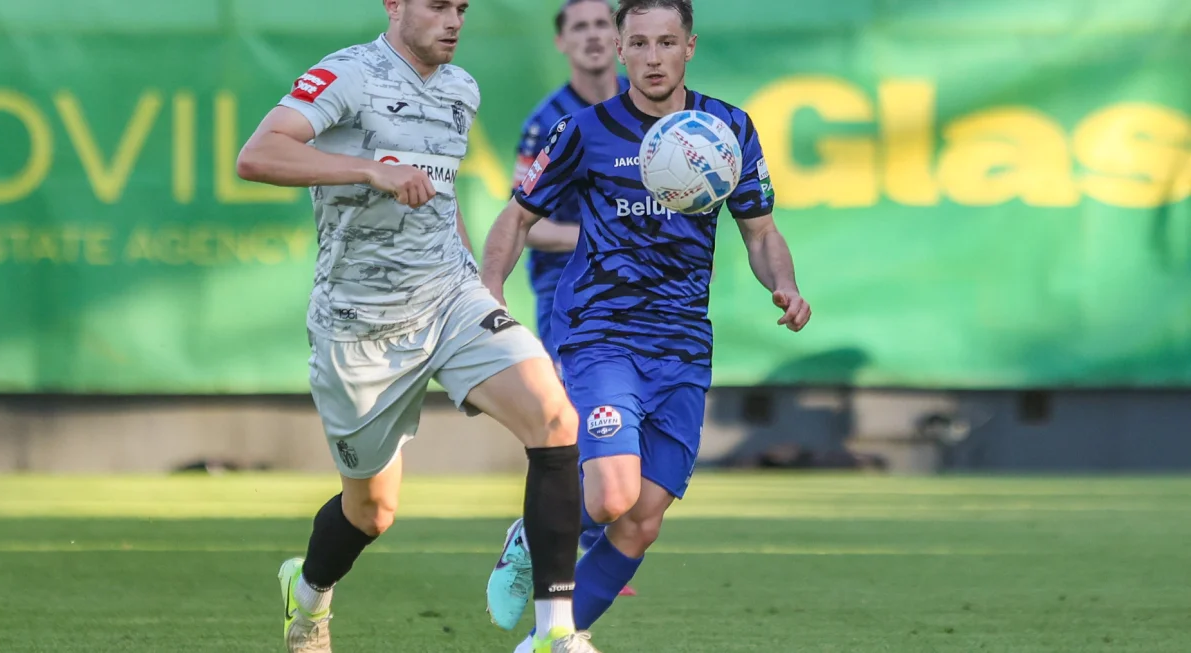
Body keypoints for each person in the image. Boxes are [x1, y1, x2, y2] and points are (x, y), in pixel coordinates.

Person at [235, 1, 603, 652]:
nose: (453, 19)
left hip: (450, 297)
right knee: (371, 511)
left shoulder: (461, 88)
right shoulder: (348, 74)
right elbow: (257, 154)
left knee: (555, 417)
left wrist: (477, 280)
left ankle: (555, 634)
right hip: (360, 323)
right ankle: (310, 590)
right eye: (437, 5)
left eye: (461, 7)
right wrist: (368, 168)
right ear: (395, 5)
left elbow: (441, 190)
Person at [478, 0, 812, 648]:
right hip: (601, 334)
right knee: (608, 497)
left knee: (641, 521)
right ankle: (533, 530)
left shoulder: (727, 129)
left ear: (689, 46)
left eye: (666, 42)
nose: (653, 56)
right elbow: (517, 215)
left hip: (682, 345)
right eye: (640, 43)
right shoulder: (583, 129)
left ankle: (551, 640)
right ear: (620, 50)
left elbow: (760, 230)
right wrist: (489, 289)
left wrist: (786, 284)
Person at [509, 0, 636, 598]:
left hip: (641, 292)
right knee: (583, 418)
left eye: (600, 25)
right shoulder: (547, 121)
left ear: (620, 39)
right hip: (570, 292)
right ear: (561, 43)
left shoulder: (646, 113)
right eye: (577, 26)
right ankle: (563, 545)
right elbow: (523, 222)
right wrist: (603, 234)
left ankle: (576, 539)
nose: (591, 37)